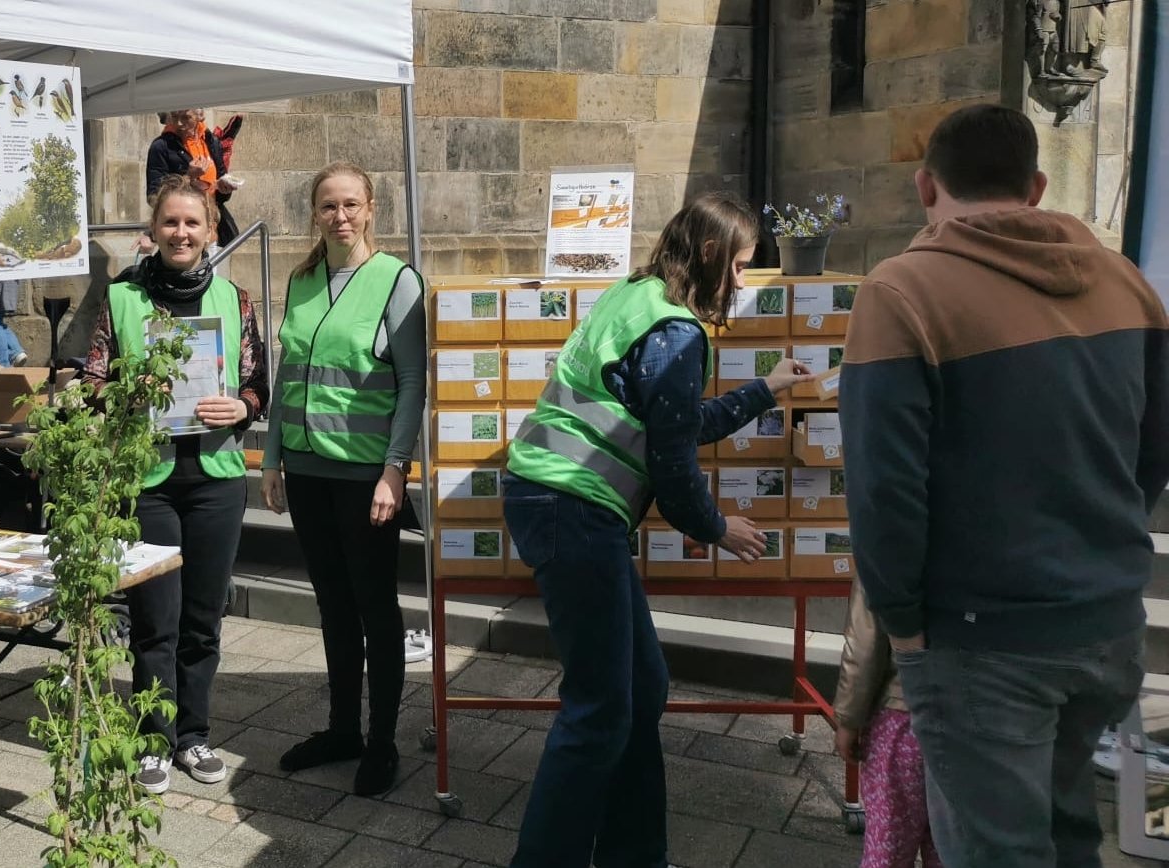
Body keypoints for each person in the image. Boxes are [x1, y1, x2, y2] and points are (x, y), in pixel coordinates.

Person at [841, 103, 1169, 868]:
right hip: (1107, 622)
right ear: (1037, 185)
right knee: (1067, 838)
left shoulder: (901, 293)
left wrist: (904, 627)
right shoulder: (1128, 285)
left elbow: (883, 492)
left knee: (998, 853)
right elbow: (1153, 454)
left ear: (926, 187)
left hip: (978, 639)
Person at [500, 192, 815, 867]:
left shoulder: (633, 295)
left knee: (641, 693)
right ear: (708, 254)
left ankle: (635, 856)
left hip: (552, 502)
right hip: (573, 512)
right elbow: (672, 463)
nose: (739, 283)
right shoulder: (677, 333)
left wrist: (765, 390)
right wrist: (716, 526)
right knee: (599, 712)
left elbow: (675, 424)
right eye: (738, 267)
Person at [81, 176, 268, 795]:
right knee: (153, 618)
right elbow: (90, 382)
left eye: (193, 224)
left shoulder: (235, 299)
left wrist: (241, 408)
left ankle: (193, 735)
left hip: (216, 479)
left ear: (211, 230)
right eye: (170, 223)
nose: (181, 233)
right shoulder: (122, 298)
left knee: (203, 616)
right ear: (153, 230)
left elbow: (257, 383)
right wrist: (132, 398)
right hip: (149, 480)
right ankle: (152, 739)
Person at [259, 162, 425, 796]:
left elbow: (413, 382)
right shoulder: (303, 280)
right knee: (332, 606)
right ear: (314, 213)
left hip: (365, 477)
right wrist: (271, 458)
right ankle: (342, 729)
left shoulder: (396, 281)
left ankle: (381, 741)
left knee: (375, 608)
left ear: (372, 207)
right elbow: (289, 375)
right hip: (304, 470)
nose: (340, 216)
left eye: (351, 204)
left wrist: (394, 470)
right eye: (329, 206)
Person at [834, 580, 942, 868]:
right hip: (971, 719)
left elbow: (865, 645)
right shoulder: (988, 539)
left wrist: (849, 718)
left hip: (902, 720)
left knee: (889, 846)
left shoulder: (885, 544)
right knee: (953, 848)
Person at [146, 109, 239, 248]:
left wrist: (222, 188)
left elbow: (219, 197)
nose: (179, 123)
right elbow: (154, 196)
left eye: (185, 117)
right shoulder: (161, 146)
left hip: (213, 230)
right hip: (183, 232)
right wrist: (188, 176)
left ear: (200, 116)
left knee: (214, 268)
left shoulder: (211, 141)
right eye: (174, 116)